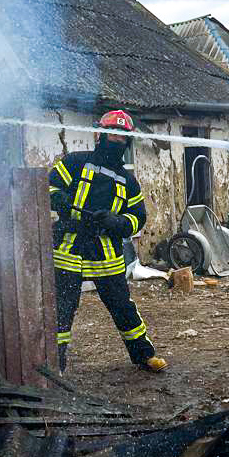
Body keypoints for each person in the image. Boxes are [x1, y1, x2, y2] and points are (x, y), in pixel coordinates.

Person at [48, 110, 167, 373]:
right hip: (70, 247)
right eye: (112, 133)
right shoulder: (75, 162)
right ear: (99, 134)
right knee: (62, 308)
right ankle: (54, 364)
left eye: (122, 136)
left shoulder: (128, 181)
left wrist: (120, 223)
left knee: (122, 306)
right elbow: (49, 186)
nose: (116, 139)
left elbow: (138, 217)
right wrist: (59, 199)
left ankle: (144, 355)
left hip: (107, 253)